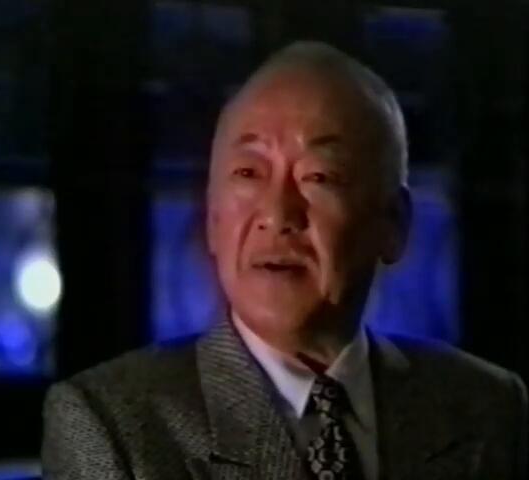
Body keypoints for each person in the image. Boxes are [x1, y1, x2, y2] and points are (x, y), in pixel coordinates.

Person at [41, 41, 527, 480]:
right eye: (248, 173)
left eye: (319, 177)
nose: (277, 215)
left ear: (393, 223)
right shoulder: (112, 427)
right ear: (212, 217)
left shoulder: (486, 407)